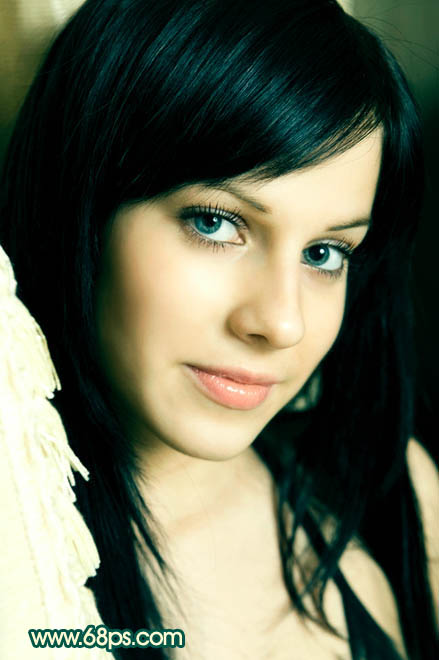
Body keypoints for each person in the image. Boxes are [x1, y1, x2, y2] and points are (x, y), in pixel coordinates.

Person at [0, 0, 437, 658]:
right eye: (215, 222)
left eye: (325, 253)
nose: (281, 322)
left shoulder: (392, 492)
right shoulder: (25, 563)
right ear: (81, 204)